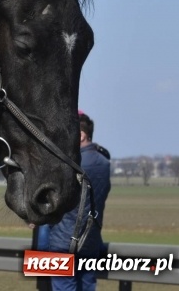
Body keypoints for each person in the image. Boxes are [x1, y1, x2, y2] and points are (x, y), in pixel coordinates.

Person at [47, 111, 112, 291]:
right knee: (88, 284)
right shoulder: (105, 163)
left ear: (81, 135)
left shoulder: (72, 163)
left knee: (64, 286)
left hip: (64, 238)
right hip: (92, 237)